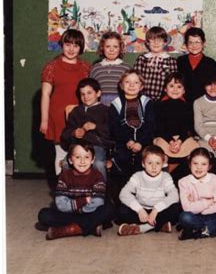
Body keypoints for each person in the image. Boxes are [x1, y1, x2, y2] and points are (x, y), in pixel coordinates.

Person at [37, 141, 114, 240]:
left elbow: (98, 202)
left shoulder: (97, 176)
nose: (82, 161)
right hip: (70, 212)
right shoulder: (65, 176)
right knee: (43, 215)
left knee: (109, 209)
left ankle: (71, 229)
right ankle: (91, 227)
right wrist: (84, 201)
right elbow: (61, 204)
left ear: (92, 160)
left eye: (86, 157)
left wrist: (82, 210)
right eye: (77, 157)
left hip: (89, 211)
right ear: (70, 160)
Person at [40, 29, 91, 176]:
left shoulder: (86, 67)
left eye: (76, 45)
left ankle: (79, 189)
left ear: (81, 48)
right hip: (58, 115)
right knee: (61, 153)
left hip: (80, 115)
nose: (71, 49)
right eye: (68, 44)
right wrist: (44, 120)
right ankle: (63, 190)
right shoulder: (52, 66)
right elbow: (45, 94)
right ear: (62, 44)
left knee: (81, 153)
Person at [109, 70, 155, 201]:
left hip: (144, 143)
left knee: (145, 162)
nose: (131, 85)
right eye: (127, 82)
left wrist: (140, 142)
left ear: (141, 86)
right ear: (121, 85)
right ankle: (122, 200)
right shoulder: (116, 104)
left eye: (136, 82)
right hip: (123, 143)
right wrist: (128, 141)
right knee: (121, 160)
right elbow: (114, 127)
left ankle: (143, 199)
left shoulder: (147, 102)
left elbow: (151, 126)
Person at [116, 145, 182, 236]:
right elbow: (123, 193)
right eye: (150, 163)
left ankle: (144, 227)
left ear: (163, 164)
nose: (154, 167)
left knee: (176, 208)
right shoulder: (138, 176)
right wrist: (139, 210)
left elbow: (174, 195)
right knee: (121, 210)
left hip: (159, 212)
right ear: (143, 164)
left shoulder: (165, 177)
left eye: (158, 163)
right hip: (141, 212)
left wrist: (156, 210)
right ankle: (159, 225)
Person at [178, 148, 216, 240]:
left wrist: (197, 206)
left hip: (215, 214)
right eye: (195, 164)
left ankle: (199, 231)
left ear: (209, 166)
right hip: (196, 217)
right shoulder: (183, 182)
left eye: (203, 164)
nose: (199, 167)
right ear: (190, 165)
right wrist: (207, 202)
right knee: (184, 217)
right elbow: (187, 208)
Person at [60, 78, 112, 180]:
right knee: (66, 163)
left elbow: (112, 132)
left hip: (98, 146)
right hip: (78, 147)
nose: (86, 97)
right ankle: (69, 191)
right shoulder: (76, 111)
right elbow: (65, 133)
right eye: (82, 94)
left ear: (98, 93)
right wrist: (74, 133)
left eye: (89, 93)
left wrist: (96, 127)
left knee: (98, 164)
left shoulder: (106, 111)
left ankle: (101, 192)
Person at [153, 72, 198, 173]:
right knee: (159, 152)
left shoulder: (188, 106)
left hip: (182, 138)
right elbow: (159, 127)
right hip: (164, 137)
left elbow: (187, 127)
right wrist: (171, 141)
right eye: (171, 86)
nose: (175, 90)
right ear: (165, 89)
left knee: (195, 150)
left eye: (179, 87)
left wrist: (179, 141)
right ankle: (163, 176)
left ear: (184, 90)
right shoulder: (158, 105)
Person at [193, 69, 216, 178]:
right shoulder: (198, 102)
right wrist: (209, 138)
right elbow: (198, 125)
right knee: (206, 157)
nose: (213, 88)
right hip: (204, 136)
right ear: (204, 86)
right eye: (209, 85)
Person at [133, 26, 178, 101]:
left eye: (159, 40)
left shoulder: (171, 61)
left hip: (163, 100)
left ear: (165, 42)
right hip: (143, 99)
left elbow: (173, 83)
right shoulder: (142, 59)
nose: (156, 43)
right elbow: (135, 80)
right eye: (152, 40)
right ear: (147, 42)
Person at [89, 31, 131, 106]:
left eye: (115, 46)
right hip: (100, 106)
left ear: (120, 48)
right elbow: (91, 89)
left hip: (120, 105)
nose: (111, 50)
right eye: (108, 46)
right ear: (102, 47)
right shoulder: (96, 68)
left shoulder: (126, 68)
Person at [176, 27, 216, 102]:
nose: (194, 46)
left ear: (203, 43)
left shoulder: (210, 63)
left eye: (197, 42)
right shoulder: (180, 61)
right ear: (186, 44)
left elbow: (213, 85)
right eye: (190, 42)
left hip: (203, 102)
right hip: (183, 102)